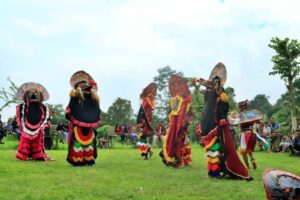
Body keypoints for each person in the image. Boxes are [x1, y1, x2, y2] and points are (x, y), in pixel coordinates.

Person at [198, 62, 252, 180]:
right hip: (209, 122)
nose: (216, 82)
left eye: (218, 80)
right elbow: (207, 101)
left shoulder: (222, 94)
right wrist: (204, 85)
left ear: (221, 82)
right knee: (211, 147)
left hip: (219, 124)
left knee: (219, 147)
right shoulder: (210, 92)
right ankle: (213, 171)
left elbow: (224, 106)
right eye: (214, 80)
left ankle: (217, 171)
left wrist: (222, 119)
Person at [66, 70, 101, 166]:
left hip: (89, 127)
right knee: (78, 144)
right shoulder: (75, 98)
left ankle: (89, 159)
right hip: (78, 126)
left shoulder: (93, 98)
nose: (84, 87)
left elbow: (96, 110)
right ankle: (78, 160)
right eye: (81, 85)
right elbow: (71, 110)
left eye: (85, 85)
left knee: (89, 144)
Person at [160, 75, 192, 167]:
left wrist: (182, 123)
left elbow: (185, 112)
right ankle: (175, 159)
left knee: (180, 139)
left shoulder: (185, 98)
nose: (175, 87)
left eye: (177, 85)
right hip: (174, 123)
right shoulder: (174, 98)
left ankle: (180, 159)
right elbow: (172, 112)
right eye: (173, 85)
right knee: (175, 140)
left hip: (180, 123)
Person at [15, 82, 53, 161]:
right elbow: (20, 116)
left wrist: (44, 124)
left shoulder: (43, 107)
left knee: (37, 141)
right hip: (26, 125)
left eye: (35, 92)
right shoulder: (23, 106)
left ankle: (37, 155)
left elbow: (47, 117)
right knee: (26, 140)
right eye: (30, 92)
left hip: (38, 126)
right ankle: (24, 154)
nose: (33, 94)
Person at [137, 82, 157, 160]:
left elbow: (143, 110)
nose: (155, 91)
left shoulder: (148, 98)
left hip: (145, 121)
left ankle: (146, 154)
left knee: (142, 138)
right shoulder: (150, 98)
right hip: (146, 120)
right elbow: (144, 109)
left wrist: (140, 121)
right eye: (154, 89)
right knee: (142, 138)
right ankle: (148, 152)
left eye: (155, 89)